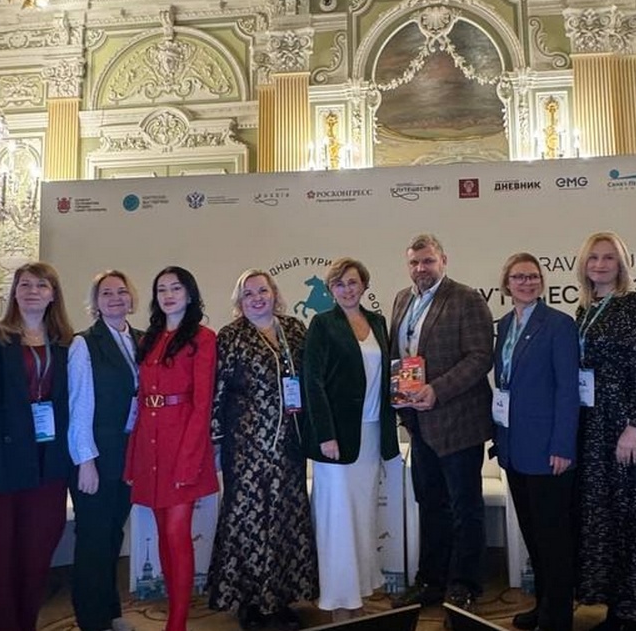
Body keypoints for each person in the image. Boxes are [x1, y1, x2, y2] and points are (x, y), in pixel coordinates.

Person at [0, 261, 74, 631]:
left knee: (35, 557)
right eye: (25, 285)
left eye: (41, 285)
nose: (32, 292)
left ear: (53, 294)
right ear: (14, 292)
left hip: (47, 465)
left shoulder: (66, 343)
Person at [573, 232, 636, 631]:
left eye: (608, 258)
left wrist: (635, 426)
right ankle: (617, 607)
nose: (600, 264)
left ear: (621, 264)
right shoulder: (584, 309)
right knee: (605, 517)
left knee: (633, 516)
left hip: (625, 425)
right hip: (592, 426)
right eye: (593, 258)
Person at [388, 233, 494, 612]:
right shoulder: (402, 299)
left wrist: (438, 390)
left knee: (465, 508)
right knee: (430, 504)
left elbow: (480, 356)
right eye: (415, 262)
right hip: (418, 424)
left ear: (443, 261)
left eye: (428, 261)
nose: (421, 269)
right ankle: (430, 581)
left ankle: (464, 584)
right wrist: (402, 401)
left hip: (458, 422)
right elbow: (399, 356)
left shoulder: (466, 298)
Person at [208, 269, 317, 631]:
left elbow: (310, 381)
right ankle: (250, 602)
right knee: (248, 520)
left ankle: (281, 598)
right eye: (249, 293)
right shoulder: (231, 336)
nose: (257, 298)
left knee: (286, 517)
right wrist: (216, 440)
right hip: (246, 446)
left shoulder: (295, 330)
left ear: (274, 293)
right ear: (240, 301)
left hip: (289, 443)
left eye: (262, 291)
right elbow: (218, 391)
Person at [301, 257, 399, 622]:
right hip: (336, 441)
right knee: (337, 521)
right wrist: (325, 434)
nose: (347, 289)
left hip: (371, 436)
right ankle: (337, 603)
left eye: (353, 282)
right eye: (339, 284)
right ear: (330, 289)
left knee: (361, 519)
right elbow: (312, 382)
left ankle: (357, 595)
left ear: (364, 285)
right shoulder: (322, 324)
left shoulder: (377, 323)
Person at [123, 266, 218, 631]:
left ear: (189, 294)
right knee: (163, 531)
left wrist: (189, 459)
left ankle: (177, 622)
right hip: (150, 441)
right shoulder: (149, 339)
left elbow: (202, 403)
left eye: (175, 288)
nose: (168, 295)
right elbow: (141, 400)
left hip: (182, 442)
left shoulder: (203, 338)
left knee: (177, 532)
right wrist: (133, 456)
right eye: (161, 289)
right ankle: (172, 610)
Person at [491, 253, 580, 631]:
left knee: (553, 539)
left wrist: (563, 445)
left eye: (532, 277)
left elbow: (568, 390)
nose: (526, 283)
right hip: (514, 447)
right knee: (532, 534)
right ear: (506, 284)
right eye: (518, 277)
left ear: (542, 282)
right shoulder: (504, 324)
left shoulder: (558, 324)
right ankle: (542, 605)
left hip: (548, 449)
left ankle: (558, 616)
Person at [67, 270, 143, 631]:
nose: (115, 298)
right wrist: (86, 460)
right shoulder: (84, 344)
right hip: (96, 457)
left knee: (113, 535)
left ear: (131, 298)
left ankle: (110, 612)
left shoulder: (141, 340)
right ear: (95, 303)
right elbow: (79, 405)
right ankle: (92, 621)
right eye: (106, 293)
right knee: (93, 540)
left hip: (128, 454)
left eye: (121, 292)